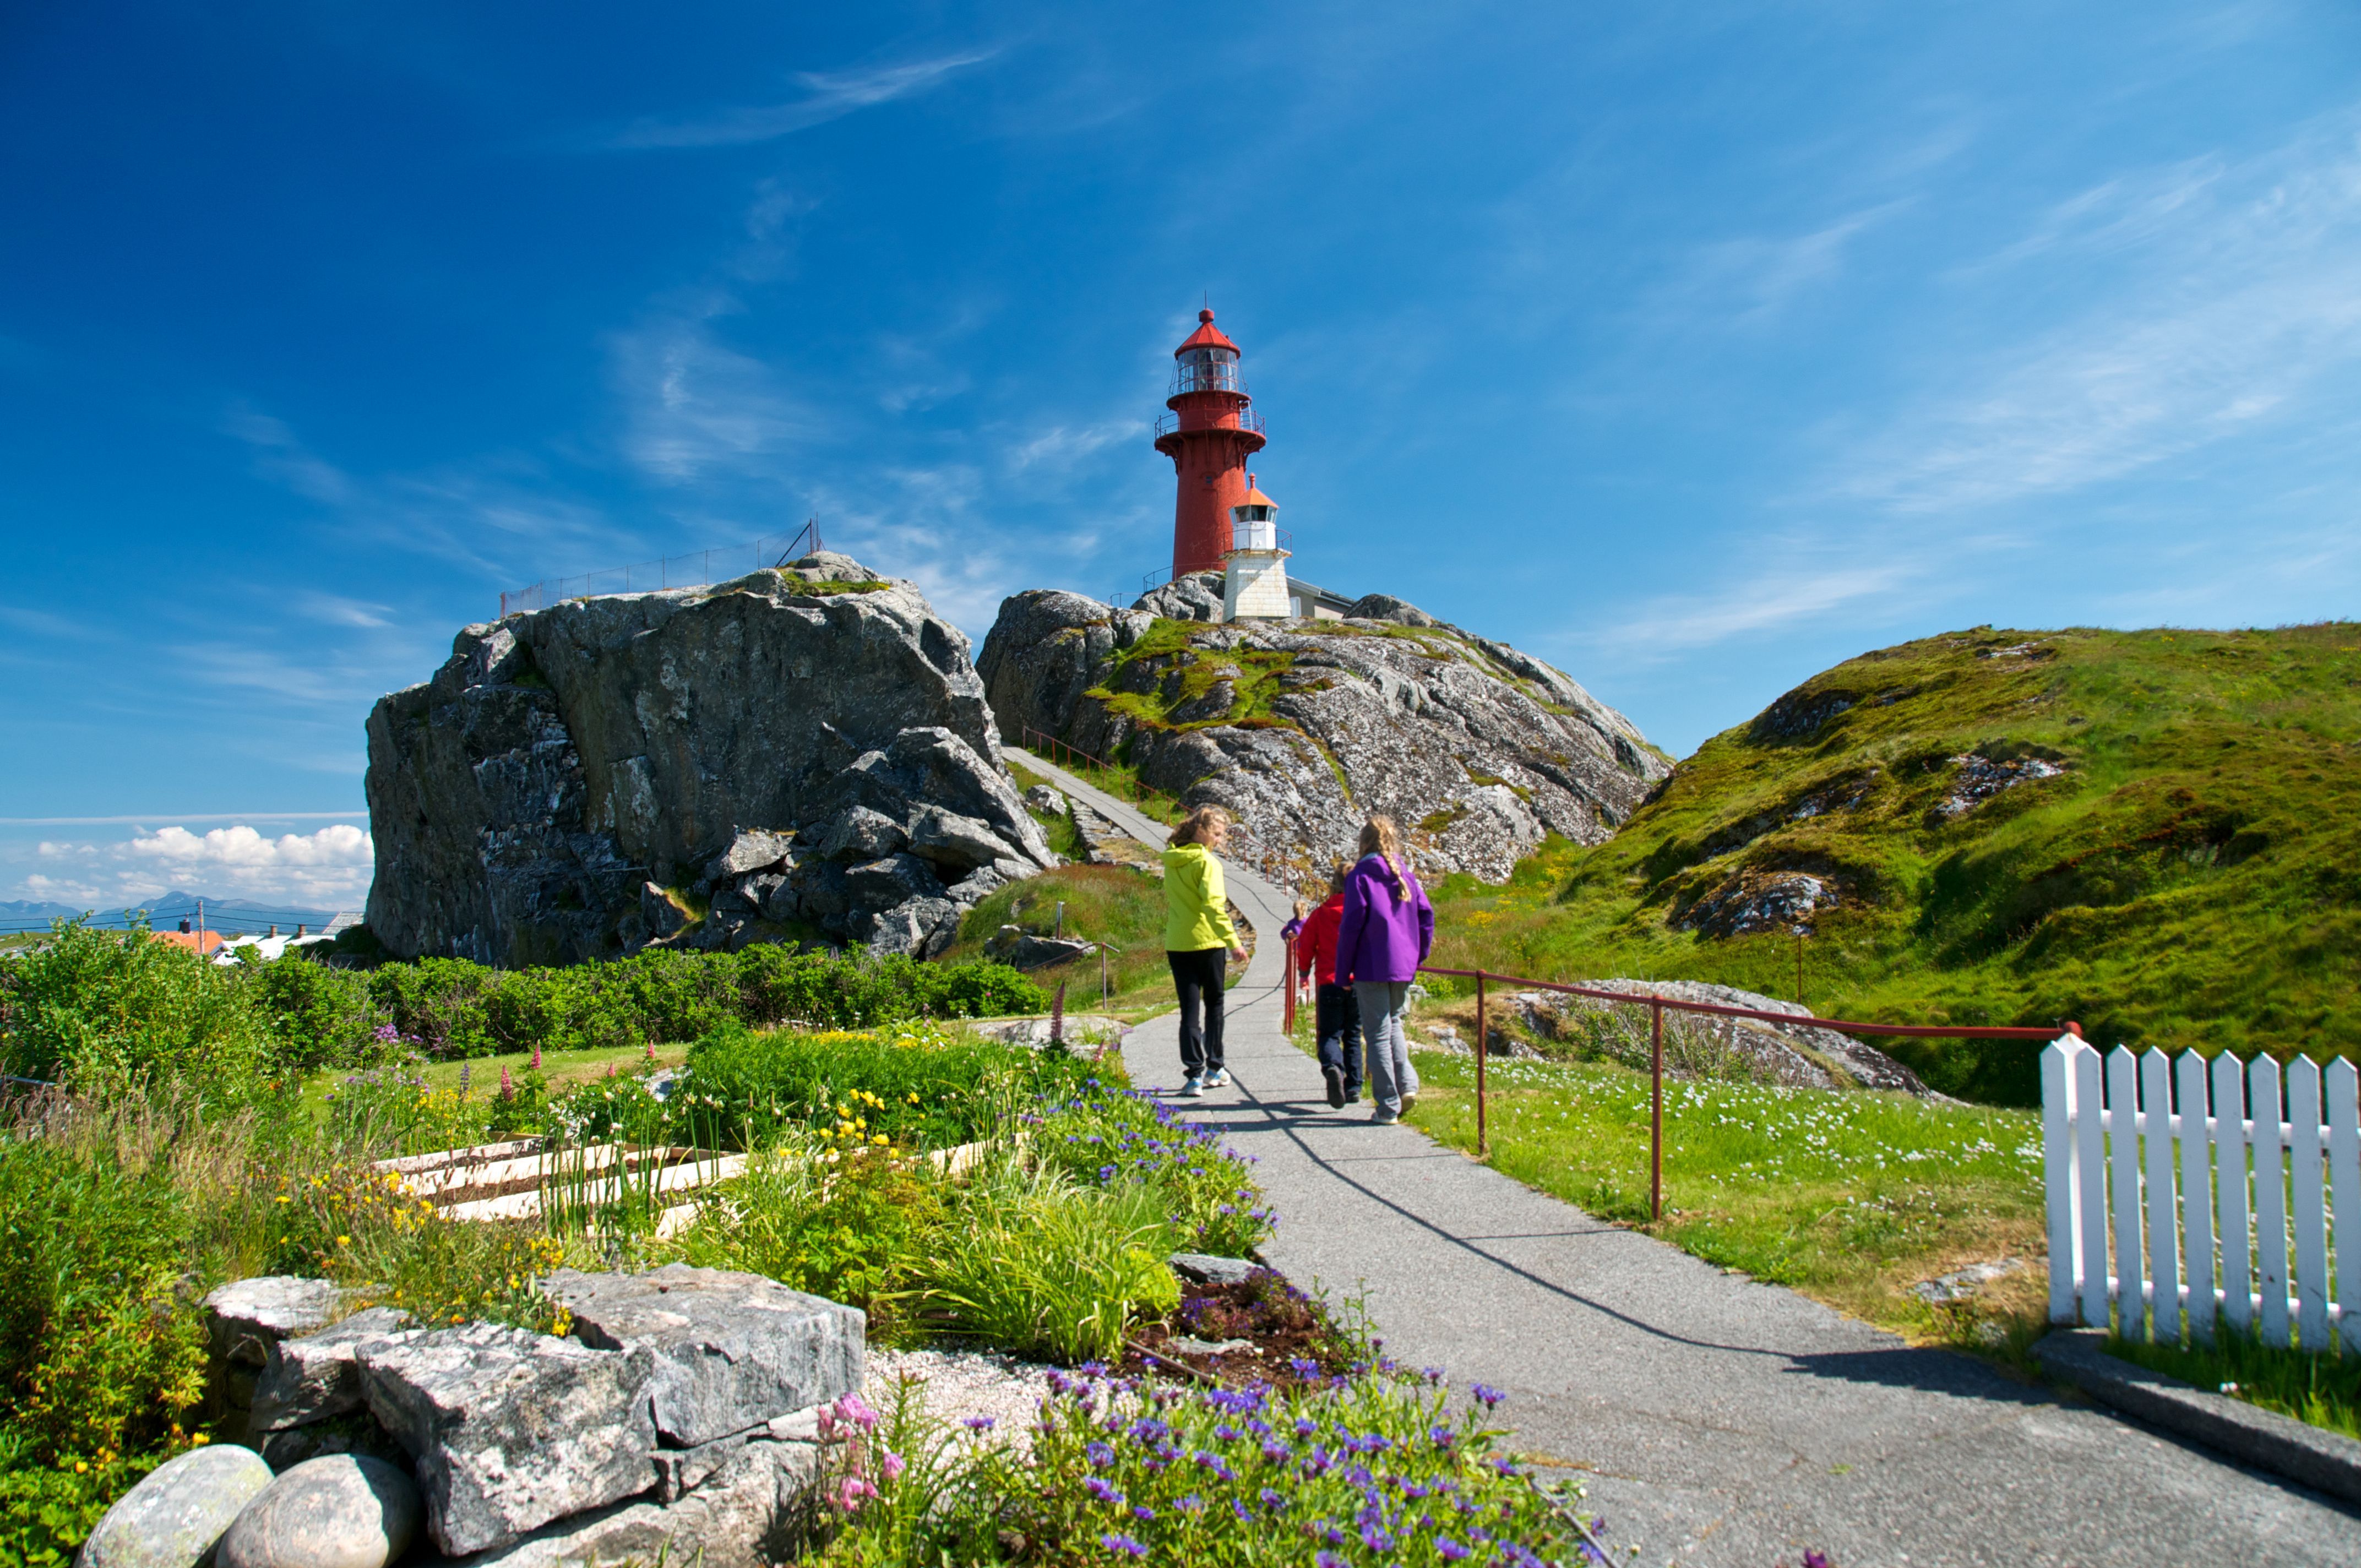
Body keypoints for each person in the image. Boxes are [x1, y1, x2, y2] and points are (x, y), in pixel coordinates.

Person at [1333, 814, 1434, 1124]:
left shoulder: (1360, 875)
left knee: (1377, 1033)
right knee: (1394, 1024)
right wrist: (1419, 955)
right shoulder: (1407, 875)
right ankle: (1407, 1087)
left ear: (1364, 842)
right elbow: (1426, 917)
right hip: (1404, 964)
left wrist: (1342, 971)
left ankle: (1388, 1105)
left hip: (1372, 963)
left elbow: (1351, 926)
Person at [1162, 805, 1248, 1097]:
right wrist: (1234, 942)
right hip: (1209, 942)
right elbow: (1213, 907)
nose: (1219, 841)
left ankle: (1193, 1075)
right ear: (1202, 831)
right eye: (1217, 834)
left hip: (1178, 941)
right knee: (1214, 1005)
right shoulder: (1208, 864)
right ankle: (1215, 1066)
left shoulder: (1171, 861)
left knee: (1189, 1011)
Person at [1295, 865, 1362, 1109]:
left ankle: (1333, 1066)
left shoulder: (1321, 914)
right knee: (1353, 1034)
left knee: (1330, 1034)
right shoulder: (1363, 913)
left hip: (1329, 982)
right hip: (1358, 982)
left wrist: (1304, 972)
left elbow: (1306, 945)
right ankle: (1354, 1087)